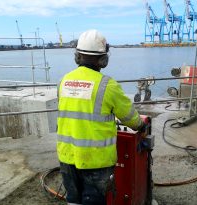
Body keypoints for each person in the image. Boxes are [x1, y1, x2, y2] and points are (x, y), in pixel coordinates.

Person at [57, 29, 145, 205]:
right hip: (96, 161)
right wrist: (141, 126)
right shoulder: (108, 85)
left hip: (67, 157)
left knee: (73, 200)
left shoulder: (64, 81)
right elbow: (130, 118)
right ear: (103, 60)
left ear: (77, 57)